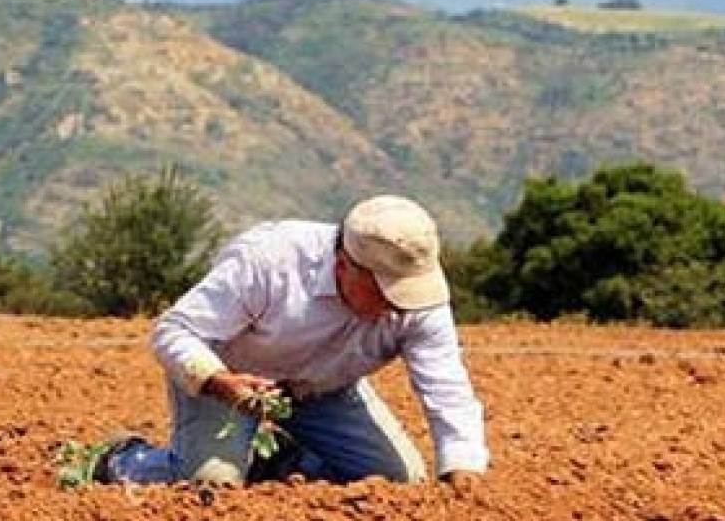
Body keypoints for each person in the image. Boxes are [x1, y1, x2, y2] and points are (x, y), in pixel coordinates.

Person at [93, 194, 488, 486]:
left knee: (397, 481)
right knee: (210, 485)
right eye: (385, 292)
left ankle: (276, 462)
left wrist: (463, 470)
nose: (396, 307)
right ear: (345, 266)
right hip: (229, 382)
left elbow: (447, 388)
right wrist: (220, 382)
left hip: (324, 391)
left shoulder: (419, 300)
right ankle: (124, 460)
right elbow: (174, 331)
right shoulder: (269, 262)